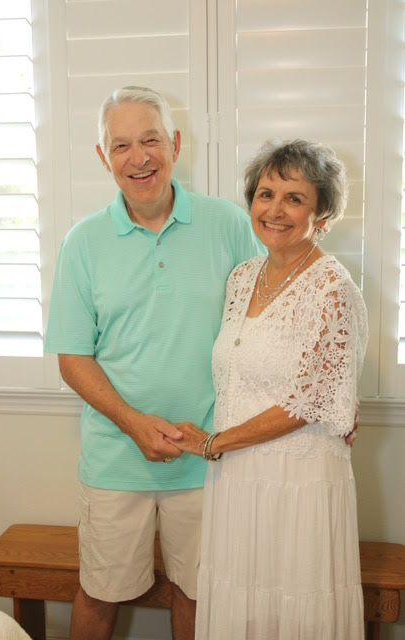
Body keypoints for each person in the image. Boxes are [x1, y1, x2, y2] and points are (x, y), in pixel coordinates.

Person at [44, 86, 262, 640]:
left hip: (209, 456)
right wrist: (134, 424)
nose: (138, 158)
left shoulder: (230, 225)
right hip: (115, 460)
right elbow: (72, 359)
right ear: (103, 157)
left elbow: (268, 328)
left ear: (175, 144)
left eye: (151, 140)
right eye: (121, 145)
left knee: (199, 593)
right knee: (99, 594)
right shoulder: (82, 243)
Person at [166, 139, 368, 639]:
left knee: (293, 613)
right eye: (265, 194)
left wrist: (214, 443)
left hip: (297, 484)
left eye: (294, 198)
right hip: (237, 481)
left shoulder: (333, 288)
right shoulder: (242, 277)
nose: (275, 209)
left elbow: (306, 403)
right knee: (242, 609)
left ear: (322, 214)